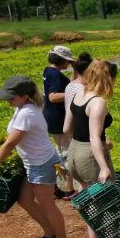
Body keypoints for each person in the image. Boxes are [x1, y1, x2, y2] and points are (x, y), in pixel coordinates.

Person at [0, 76, 68, 238]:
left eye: (12, 96)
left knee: (47, 204)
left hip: (42, 163)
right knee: (25, 200)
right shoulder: (21, 108)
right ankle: (49, 233)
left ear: (25, 95)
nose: (8, 100)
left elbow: (10, 144)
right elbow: (12, 140)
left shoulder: (27, 113)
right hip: (32, 163)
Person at [63, 59, 118, 238]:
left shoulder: (78, 94)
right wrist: (104, 167)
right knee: (108, 202)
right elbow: (95, 137)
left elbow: (67, 128)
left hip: (75, 152)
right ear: (108, 78)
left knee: (90, 201)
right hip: (90, 156)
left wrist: (79, 144)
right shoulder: (97, 102)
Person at [59, 51, 93, 200]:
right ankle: (84, 204)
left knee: (81, 175)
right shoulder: (82, 90)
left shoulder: (70, 85)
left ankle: (79, 200)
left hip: (73, 132)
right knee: (88, 175)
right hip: (83, 134)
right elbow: (84, 115)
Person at [42, 45, 75, 199]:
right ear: (61, 60)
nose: (68, 64)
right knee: (66, 154)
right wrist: (74, 92)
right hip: (58, 120)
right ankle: (68, 189)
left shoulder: (48, 71)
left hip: (51, 118)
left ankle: (58, 186)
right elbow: (53, 97)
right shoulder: (55, 75)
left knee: (61, 152)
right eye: (67, 61)